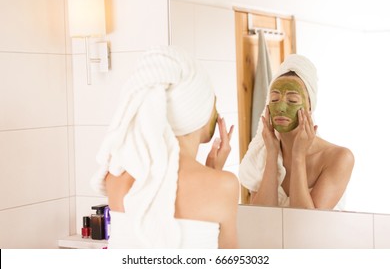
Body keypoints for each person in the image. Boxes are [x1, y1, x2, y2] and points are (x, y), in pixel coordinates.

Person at [90, 46, 239, 248]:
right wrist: (214, 174)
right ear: (198, 111)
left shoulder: (116, 177)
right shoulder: (223, 186)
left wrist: (212, 171)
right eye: (213, 102)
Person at [239, 54, 354, 210]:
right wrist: (272, 155)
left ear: (310, 107)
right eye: (274, 99)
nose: (280, 107)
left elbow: (306, 223)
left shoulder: (339, 158)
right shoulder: (262, 154)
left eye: (292, 100)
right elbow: (262, 219)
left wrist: (298, 156)